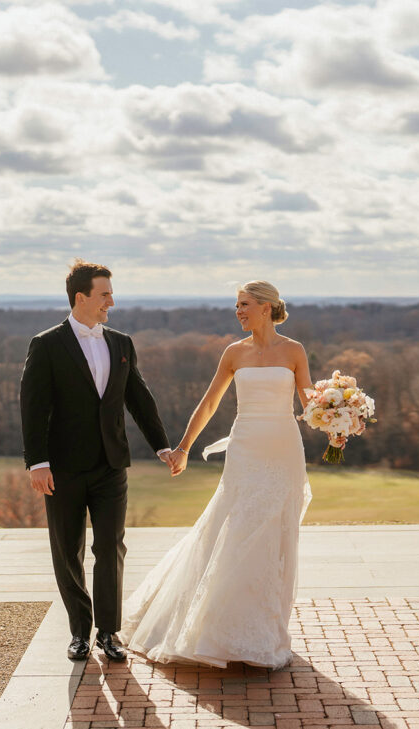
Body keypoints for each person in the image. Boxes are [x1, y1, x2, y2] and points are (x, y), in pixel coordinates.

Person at [119, 280, 314, 669]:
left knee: (275, 534)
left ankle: (265, 629)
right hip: (246, 449)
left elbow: (308, 399)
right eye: (237, 305)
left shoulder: (294, 350)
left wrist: (334, 421)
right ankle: (224, 630)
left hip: (284, 449)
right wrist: (184, 448)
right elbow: (209, 403)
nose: (238, 312)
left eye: (244, 305)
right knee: (238, 528)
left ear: (266, 307)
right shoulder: (233, 352)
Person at [20, 259, 175, 662]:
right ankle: (78, 631)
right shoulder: (47, 344)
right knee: (67, 550)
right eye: (105, 294)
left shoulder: (122, 343)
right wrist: (37, 462)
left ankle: (109, 632)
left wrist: (162, 447)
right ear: (81, 297)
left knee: (110, 546)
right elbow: (32, 408)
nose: (111, 301)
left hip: (111, 466)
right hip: (63, 468)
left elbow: (139, 398)